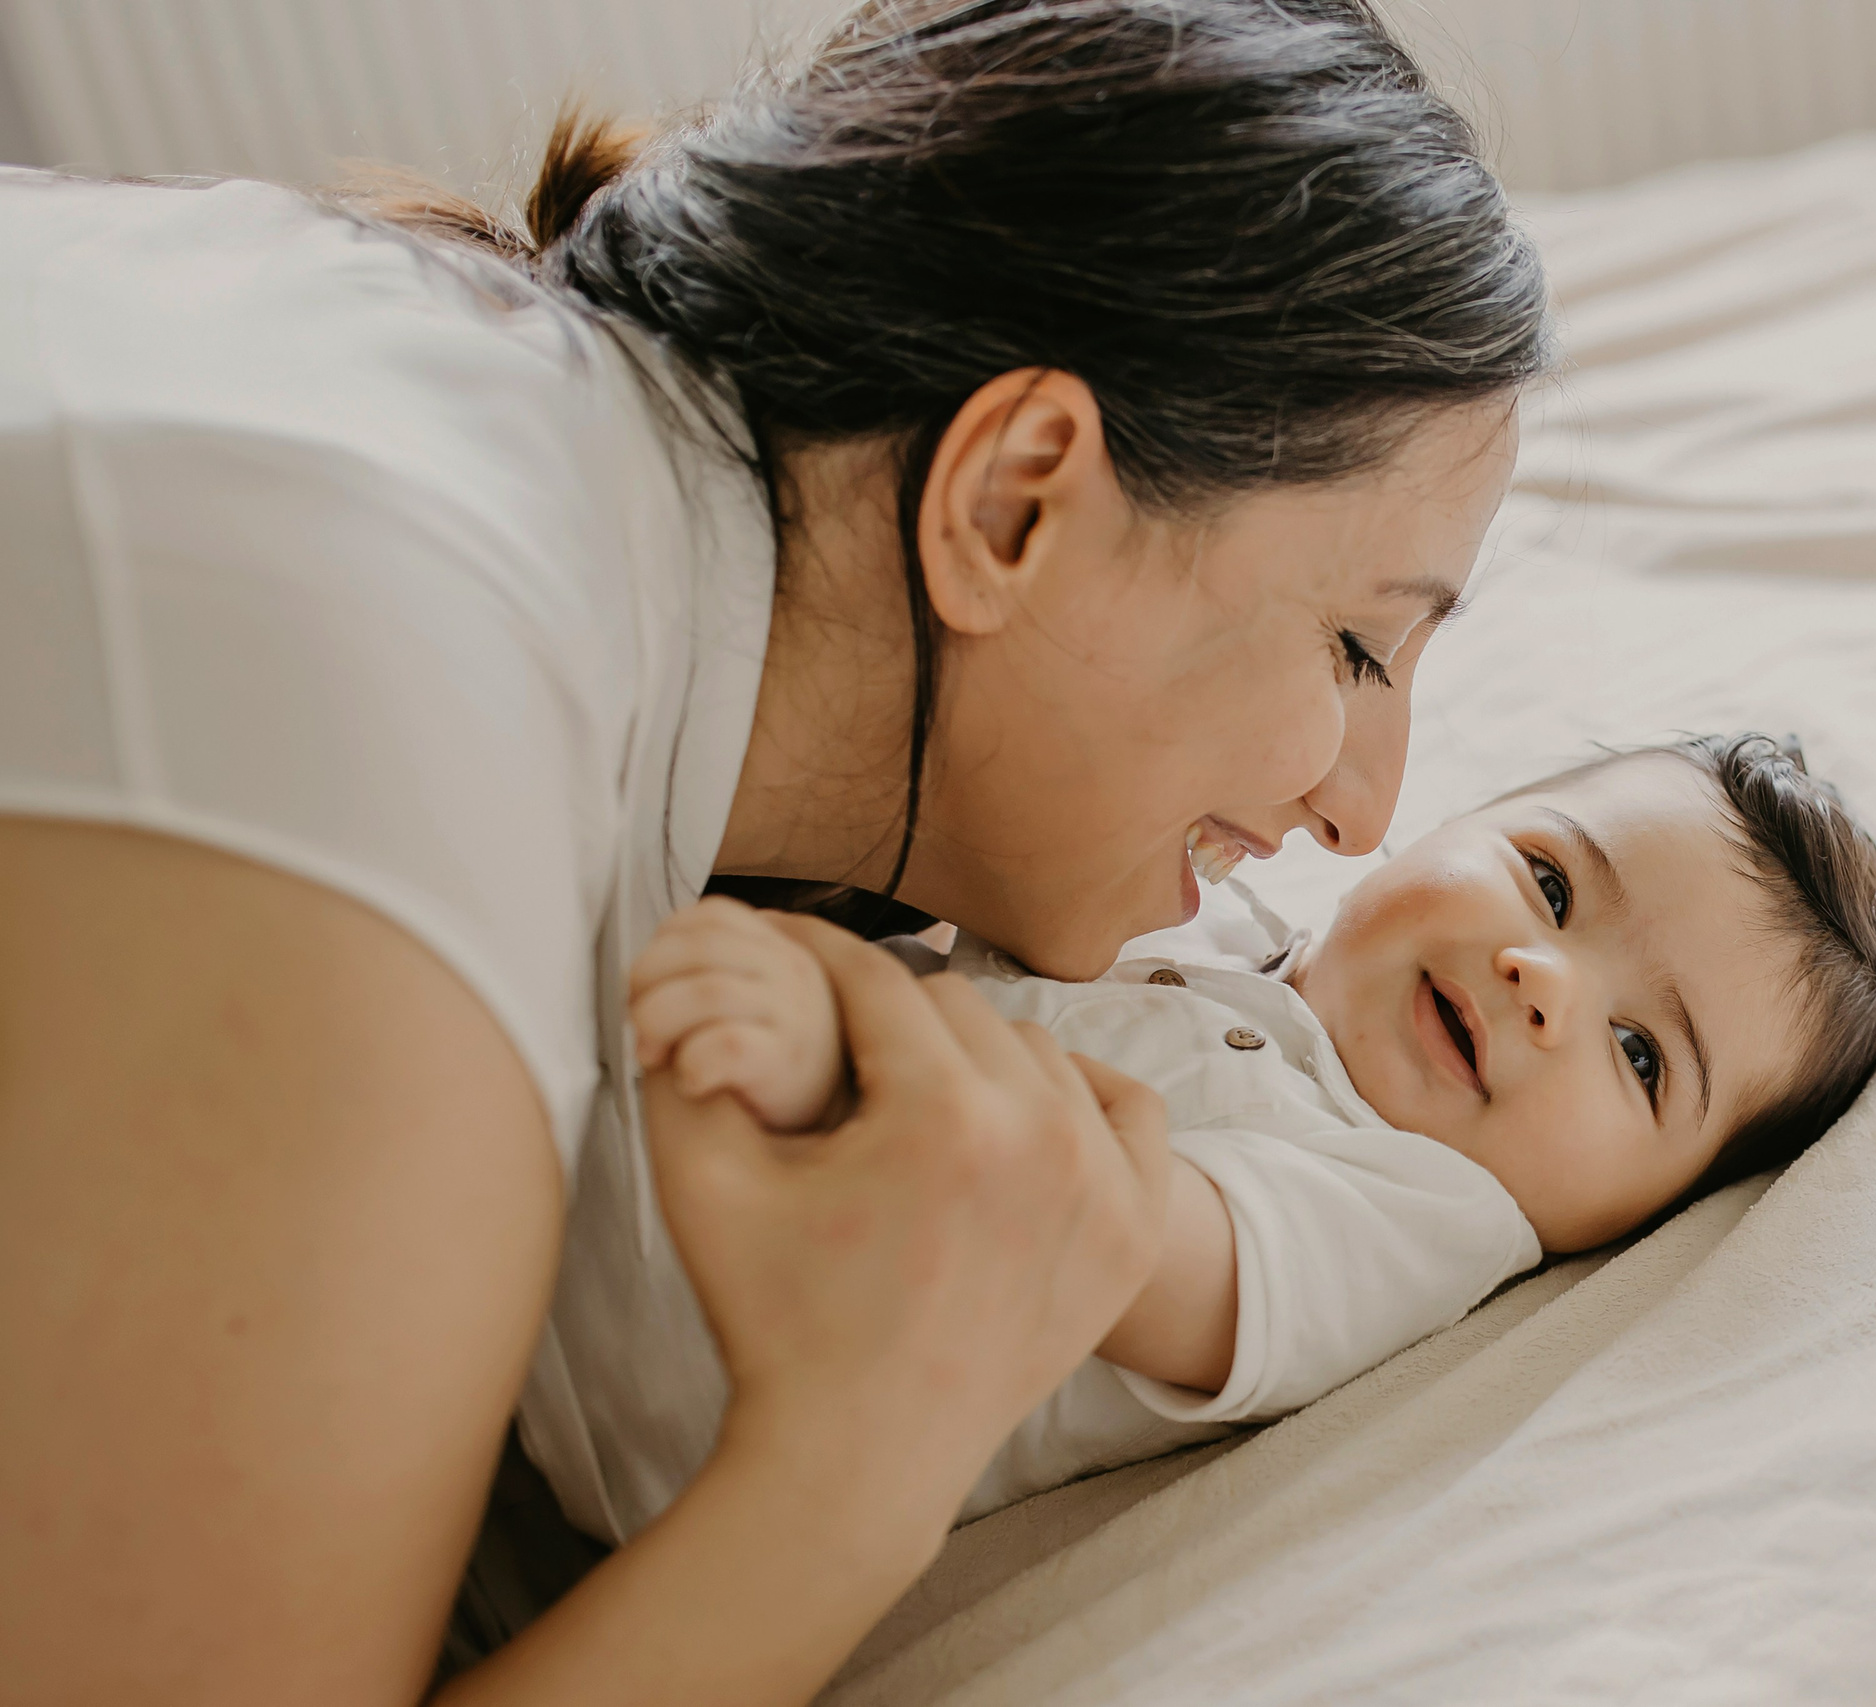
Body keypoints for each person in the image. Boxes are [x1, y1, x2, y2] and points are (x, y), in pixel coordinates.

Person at [0, 3, 1548, 1700]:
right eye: (1354, 647)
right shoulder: (402, 776)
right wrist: (868, 1446)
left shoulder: (425, 374)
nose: (1364, 810)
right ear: (1014, 503)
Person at [631, 733, 1876, 1519]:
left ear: (1641, 1217)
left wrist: (836, 1045)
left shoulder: (1417, 1215)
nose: (1546, 982)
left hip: (660, 1375)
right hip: (622, 1123)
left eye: (1642, 1055)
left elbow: (1095, 1219)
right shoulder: (1210, 922)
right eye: (1547, 881)